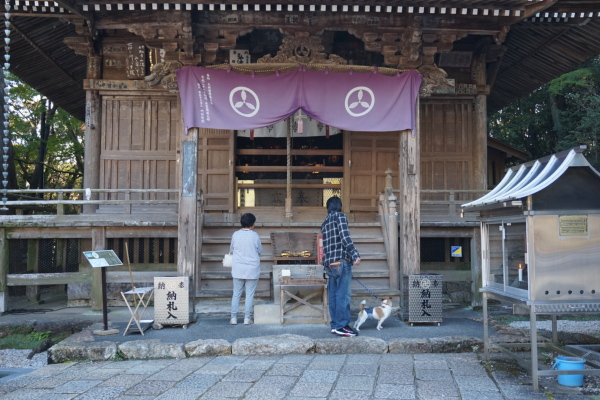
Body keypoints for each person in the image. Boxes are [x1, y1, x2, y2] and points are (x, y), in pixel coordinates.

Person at [321, 196, 361, 337]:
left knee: (333, 295)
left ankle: (335, 325)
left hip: (329, 262)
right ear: (340, 206)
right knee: (343, 295)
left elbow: (324, 245)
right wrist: (355, 254)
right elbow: (345, 237)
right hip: (341, 260)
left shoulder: (325, 222)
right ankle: (342, 325)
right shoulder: (340, 217)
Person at [230, 213, 263, 325]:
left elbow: (232, 249)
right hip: (252, 269)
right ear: (252, 224)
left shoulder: (235, 234)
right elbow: (260, 251)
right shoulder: (255, 236)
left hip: (238, 268)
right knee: (249, 295)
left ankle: (233, 318)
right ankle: (247, 318)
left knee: (236, 294)